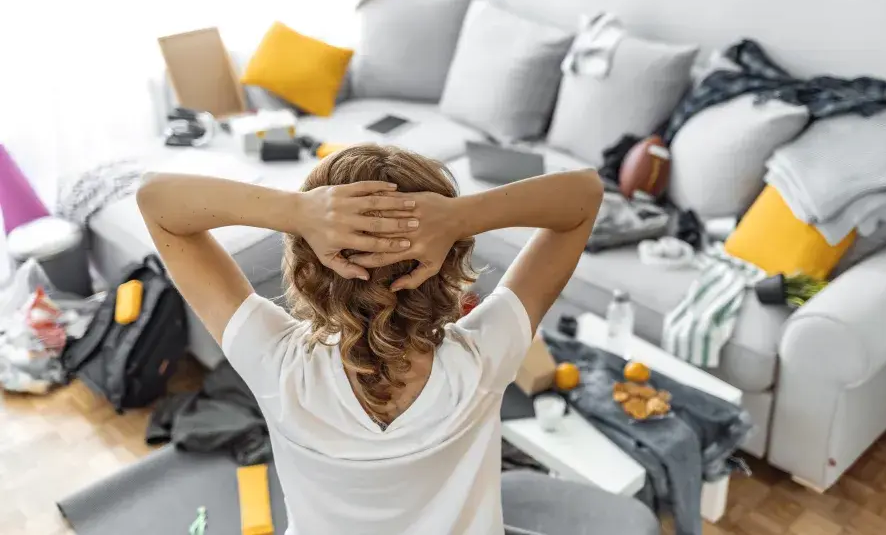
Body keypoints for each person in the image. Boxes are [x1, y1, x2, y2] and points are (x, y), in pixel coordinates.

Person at [137, 143, 603, 535]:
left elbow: (156, 200)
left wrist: (295, 211)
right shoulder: (483, 360)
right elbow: (584, 194)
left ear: (307, 268)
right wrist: (461, 215)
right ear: (449, 262)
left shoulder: (278, 367)